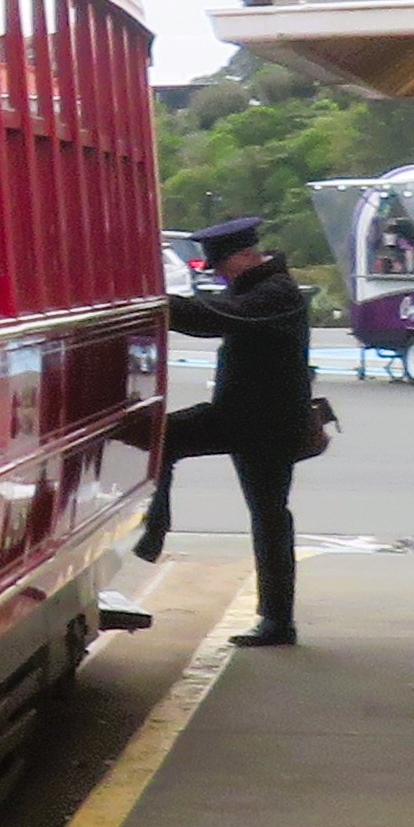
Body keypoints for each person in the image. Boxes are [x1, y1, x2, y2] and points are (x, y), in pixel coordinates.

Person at [139, 210, 318, 645]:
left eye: (220, 268)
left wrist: (153, 300)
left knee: (270, 515)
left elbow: (215, 316)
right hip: (241, 417)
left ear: (242, 257)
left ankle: (277, 620)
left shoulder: (276, 294)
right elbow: (221, 309)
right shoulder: (260, 288)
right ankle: (155, 527)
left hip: (267, 425)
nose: (219, 277)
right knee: (165, 438)